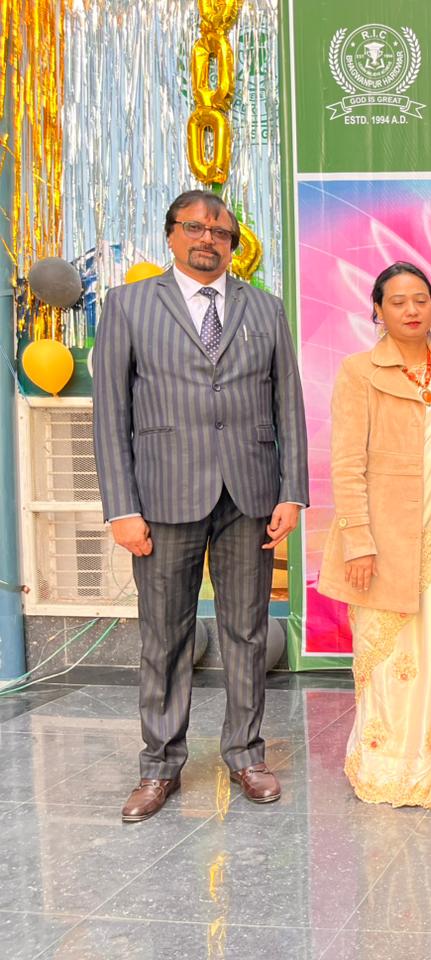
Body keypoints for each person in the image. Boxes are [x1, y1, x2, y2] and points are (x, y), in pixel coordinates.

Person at [93, 189, 308, 821]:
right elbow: (110, 414)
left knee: (246, 630)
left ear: (233, 245)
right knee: (165, 635)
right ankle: (159, 766)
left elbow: (288, 405)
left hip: (250, 494)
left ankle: (246, 754)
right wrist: (121, 507)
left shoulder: (265, 309)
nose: (207, 239)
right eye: (195, 228)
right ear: (171, 235)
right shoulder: (129, 305)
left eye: (220, 232)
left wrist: (291, 491)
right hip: (162, 496)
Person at [317, 261, 431, 811]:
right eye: (397, 301)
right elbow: (347, 464)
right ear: (378, 310)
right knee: (390, 660)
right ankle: (388, 767)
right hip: (382, 542)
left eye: (421, 299)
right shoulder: (359, 372)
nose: (411, 310)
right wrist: (359, 542)